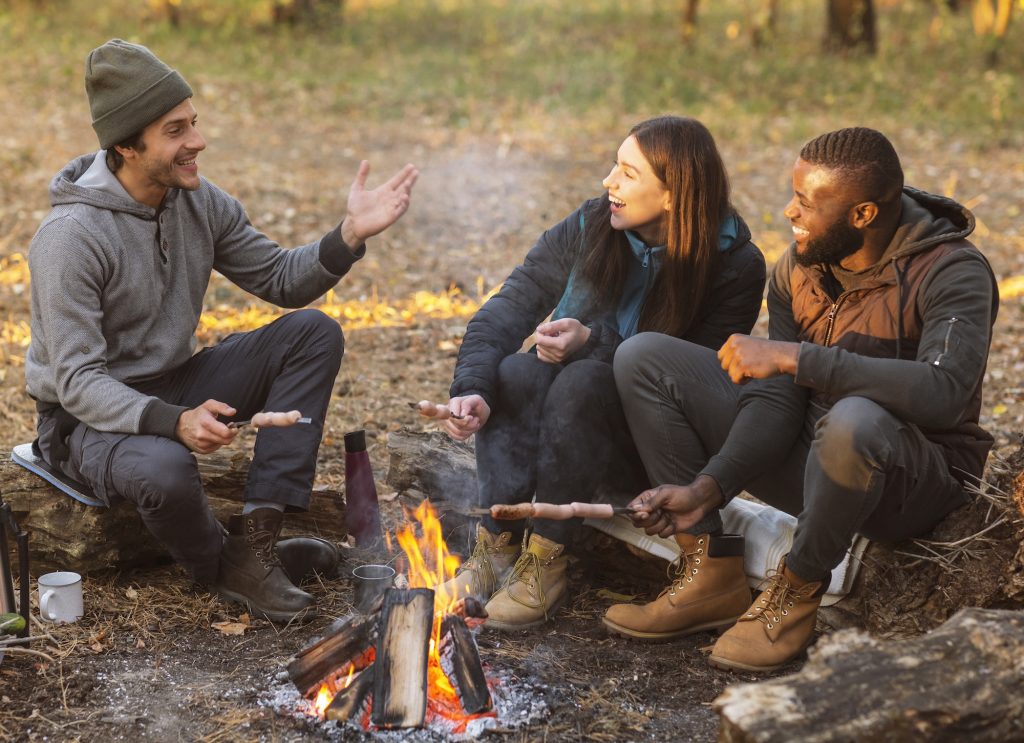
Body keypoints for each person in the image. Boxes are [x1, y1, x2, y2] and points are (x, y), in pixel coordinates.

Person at [25, 39, 418, 623]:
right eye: (176, 130)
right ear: (129, 145)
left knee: (313, 333)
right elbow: (78, 381)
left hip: (174, 379)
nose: (198, 142)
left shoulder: (197, 202)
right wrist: (173, 422)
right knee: (166, 469)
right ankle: (222, 565)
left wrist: (348, 236)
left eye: (194, 123)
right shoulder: (70, 239)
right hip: (85, 420)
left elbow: (283, 279)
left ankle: (257, 545)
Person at [606, 127, 999, 671]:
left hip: (913, 481)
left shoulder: (954, 271)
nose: (790, 211)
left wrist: (799, 357)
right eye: (794, 194)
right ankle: (707, 570)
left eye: (807, 203)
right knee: (645, 357)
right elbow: (778, 400)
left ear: (862, 215)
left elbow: (944, 395)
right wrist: (710, 486)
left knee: (853, 419)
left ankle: (797, 587)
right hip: (819, 459)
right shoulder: (797, 267)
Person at [418, 116, 766, 630]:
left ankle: (547, 561)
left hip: (650, 453)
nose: (609, 181)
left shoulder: (733, 265)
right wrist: (472, 389)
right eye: (614, 165)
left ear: (673, 195)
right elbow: (509, 306)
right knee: (515, 372)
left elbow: (686, 381)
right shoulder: (592, 224)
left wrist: (593, 340)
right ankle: (492, 551)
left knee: (586, 379)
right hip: (561, 436)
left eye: (628, 172)